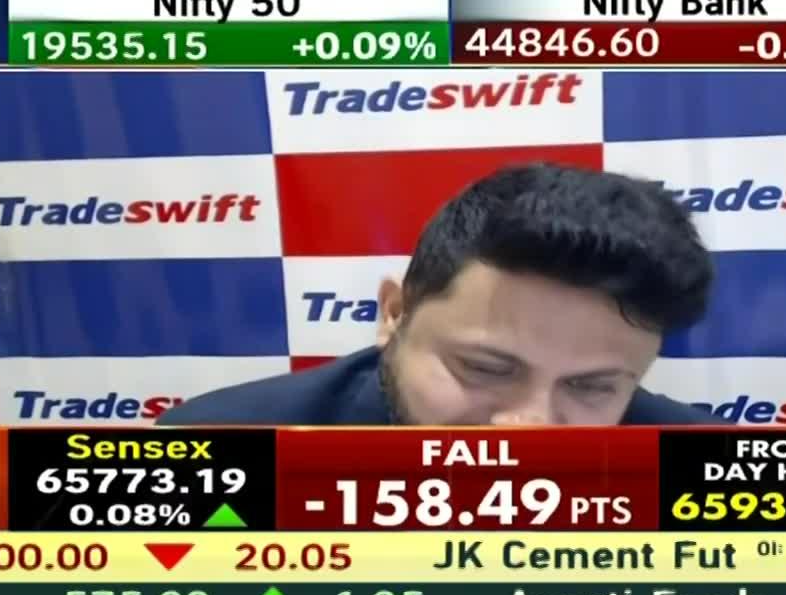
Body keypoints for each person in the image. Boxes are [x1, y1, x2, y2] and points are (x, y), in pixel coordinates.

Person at [159, 163, 723, 426]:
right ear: (394, 315)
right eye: (485, 368)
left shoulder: (708, 474)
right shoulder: (219, 445)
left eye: (592, 387)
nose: (527, 426)